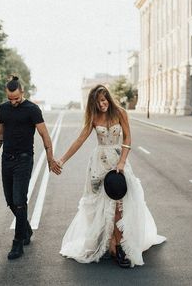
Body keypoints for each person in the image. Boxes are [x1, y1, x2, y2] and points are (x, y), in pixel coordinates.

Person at [58, 84, 166, 267]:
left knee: (119, 205)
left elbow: (127, 139)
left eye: (103, 99)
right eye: (97, 102)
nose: (102, 104)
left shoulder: (121, 113)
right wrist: (62, 160)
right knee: (100, 205)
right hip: (99, 165)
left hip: (118, 164)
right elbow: (79, 140)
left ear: (108, 97)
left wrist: (122, 162)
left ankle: (118, 247)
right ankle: (107, 243)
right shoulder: (93, 118)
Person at [0, 76, 61, 260]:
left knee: (20, 200)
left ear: (23, 92)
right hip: (7, 159)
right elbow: (0, 133)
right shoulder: (3, 108)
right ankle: (26, 229)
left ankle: (18, 243)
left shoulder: (32, 109)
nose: (13, 102)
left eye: (16, 98)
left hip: (24, 159)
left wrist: (50, 159)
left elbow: (45, 135)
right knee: (10, 200)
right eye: (10, 98)